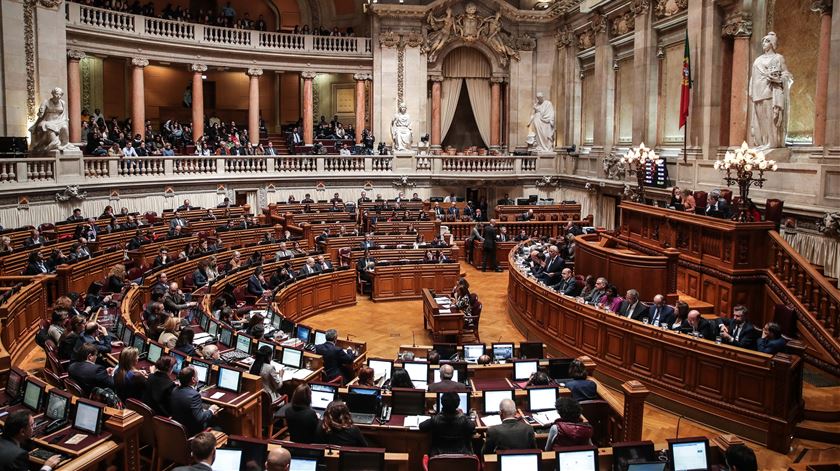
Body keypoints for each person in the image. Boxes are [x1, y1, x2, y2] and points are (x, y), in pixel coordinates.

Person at [170, 366, 221, 436]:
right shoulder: (194, 395)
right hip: (192, 432)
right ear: (193, 379)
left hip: (177, 428)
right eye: (197, 376)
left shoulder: (175, 390)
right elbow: (200, 419)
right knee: (218, 427)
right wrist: (211, 410)